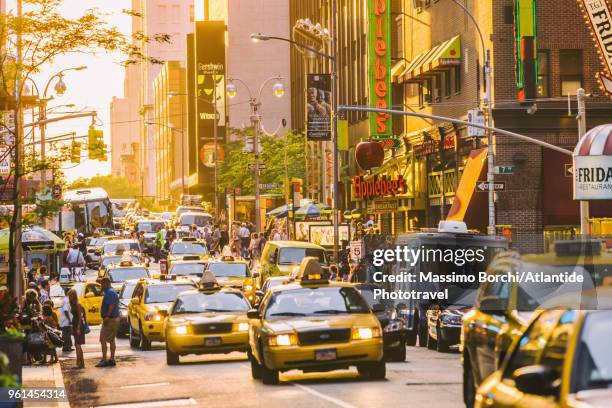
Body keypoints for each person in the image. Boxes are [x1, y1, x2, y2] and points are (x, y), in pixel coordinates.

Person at [97, 277, 120, 367]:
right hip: (113, 319)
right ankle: (112, 359)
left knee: (103, 339)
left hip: (110, 319)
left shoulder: (110, 292)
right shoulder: (111, 292)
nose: (101, 286)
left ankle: (104, 359)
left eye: (102, 284)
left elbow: (111, 305)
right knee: (111, 340)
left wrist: (107, 316)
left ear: (106, 284)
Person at [67, 289, 85, 369]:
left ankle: (79, 363)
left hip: (78, 326)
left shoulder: (77, 304)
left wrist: (78, 327)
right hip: (75, 325)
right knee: (77, 345)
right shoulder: (73, 304)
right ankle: (81, 363)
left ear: (73, 296)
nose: (69, 298)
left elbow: (80, 317)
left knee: (78, 345)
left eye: (70, 296)